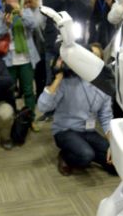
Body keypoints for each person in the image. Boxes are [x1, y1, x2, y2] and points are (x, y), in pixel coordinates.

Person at [36, 45, 115, 176]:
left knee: (116, 162)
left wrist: (113, 144)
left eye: (96, 57)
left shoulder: (104, 86)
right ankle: (65, 156)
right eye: (89, 56)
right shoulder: (69, 79)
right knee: (86, 155)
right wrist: (57, 79)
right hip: (65, 130)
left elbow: (106, 118)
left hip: (88, 131)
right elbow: (43, 107)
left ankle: (90, 153)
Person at [0, 0, 42, 123]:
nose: (11, 0)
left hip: (26, 58)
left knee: (28, 91)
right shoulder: (0, 14)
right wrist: (6, 25)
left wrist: (20, 13)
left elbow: (34, 25)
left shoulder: (25, 11)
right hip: (8, 58)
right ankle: (12, 119)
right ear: (4, 0)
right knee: (10, 91)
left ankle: (30, 119)